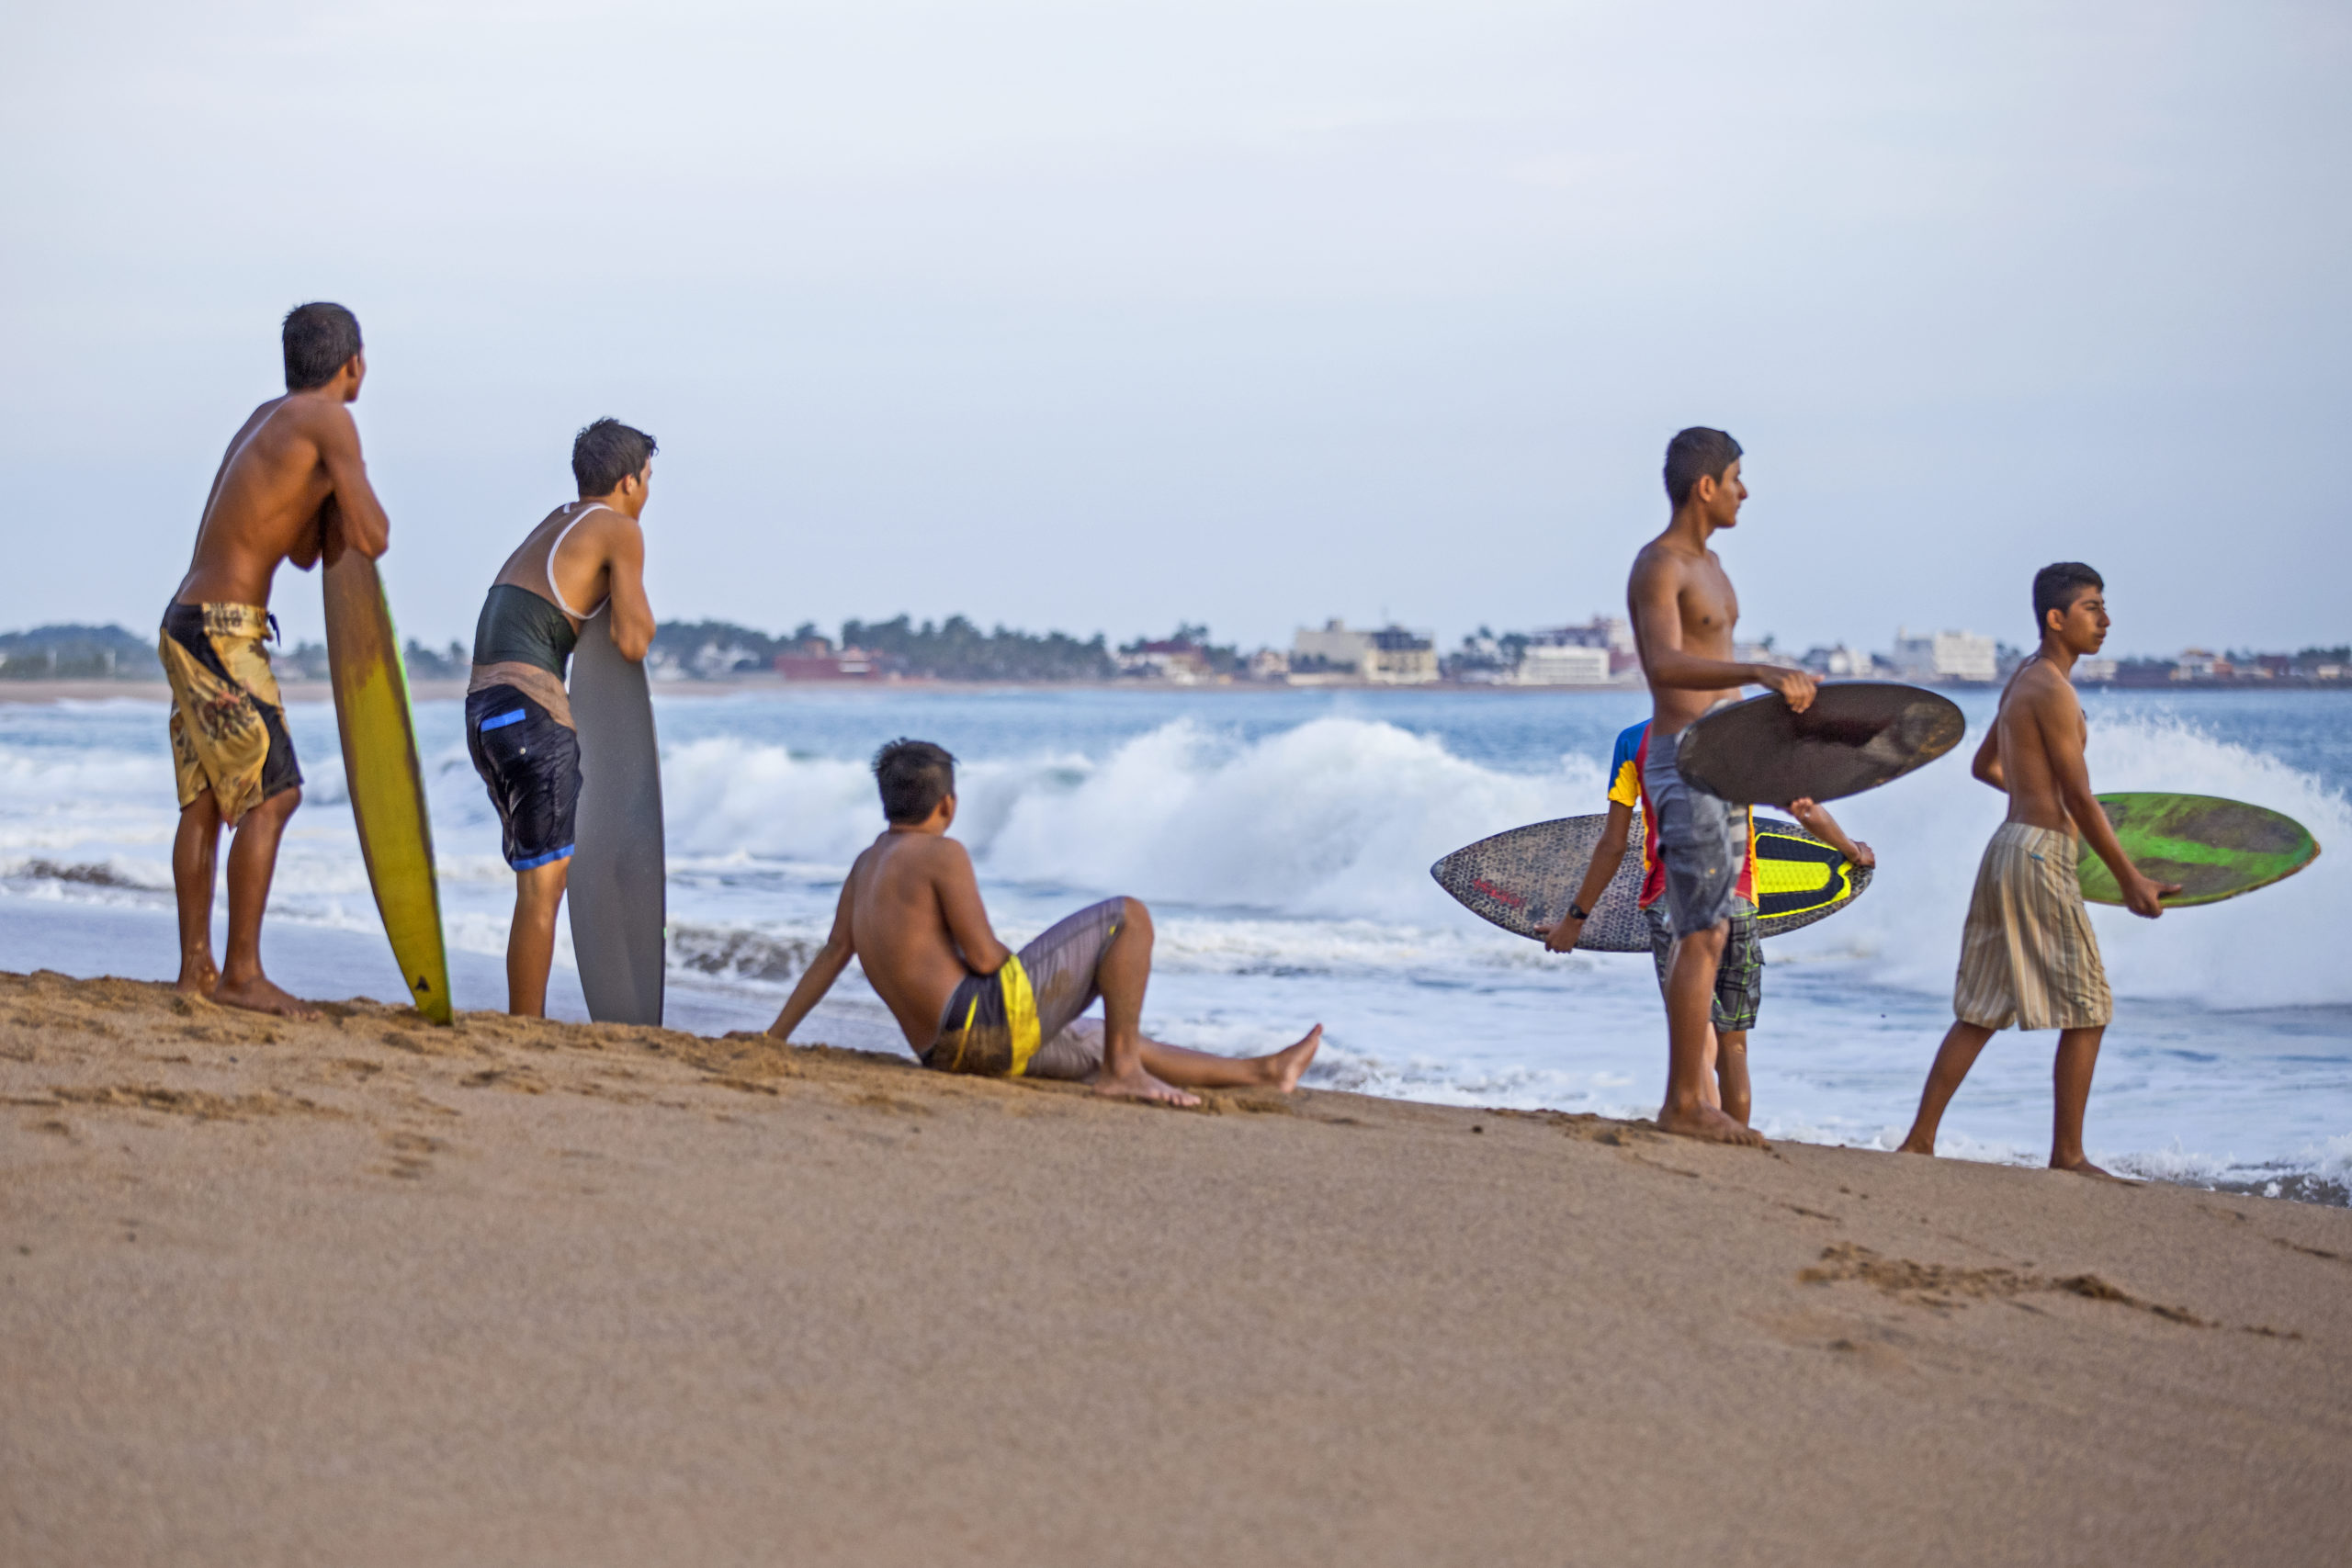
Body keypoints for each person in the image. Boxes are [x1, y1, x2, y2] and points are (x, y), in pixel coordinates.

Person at [763, 739, 1324, 1107]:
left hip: (943, 1053)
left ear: (886, 802)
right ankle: (1123, 1073)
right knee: (1129, 917)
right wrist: (1051, 979)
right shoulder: (943, 853)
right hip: (982, 1028)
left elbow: (834, 953)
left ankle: (1264, 1072)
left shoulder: (866, 865)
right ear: (948, 805)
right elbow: (985, 959)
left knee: (1094, 1036)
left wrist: (774, 1038)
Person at [1897, 563, 2177, 1175]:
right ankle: (2068, 1155)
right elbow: (2080, 797)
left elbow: (1984, 765)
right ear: (2057, 618)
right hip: (2037, 854)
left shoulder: (2023, 677)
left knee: (1981, 1007)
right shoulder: (2053, 690)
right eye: (2092, 608)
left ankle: (1920, 1139)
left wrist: (2031, 798)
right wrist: (2130, 876)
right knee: (2089, 1006)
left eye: (2104, 607)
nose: (2105, 620)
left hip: (2007, 848)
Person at [163, 302, 391, 1019]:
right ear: (353, 363)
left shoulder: (271, 416)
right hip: (225, 629)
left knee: (206, 799)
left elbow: (297, 550)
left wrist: (326, 493)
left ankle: (196, 967)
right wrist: (347, 484)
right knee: (275, 792)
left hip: (186, 623)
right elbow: (374, 535)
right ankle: (242, 973)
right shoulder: (331, 422)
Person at [1623, 427, 1820, 1145]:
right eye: (1736, 477)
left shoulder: (1716, 568)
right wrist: (1760, 672)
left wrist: (1773, 755)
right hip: (1685, 761)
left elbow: (1717, 675)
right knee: (1699, 929)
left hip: (1727, 767)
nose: (1744, 491)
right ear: (1705, 485)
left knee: (1717, 928)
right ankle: (1682, 1100)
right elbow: (1664, 666)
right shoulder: (1660, 565)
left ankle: (1691, 1099)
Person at [1541, 716, 1873, 1127]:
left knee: (1696, 1036)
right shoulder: (1743, 735)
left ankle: (1707, 1132)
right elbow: (1806, 810)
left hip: (1674, 902)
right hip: (1739, 904)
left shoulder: (1634, 742)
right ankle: (1739, 1143)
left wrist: (1575, 919)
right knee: (1734, 1045)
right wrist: (1851, 850)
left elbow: (1613, 845)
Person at [464, 419, 658, 1015]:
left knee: (533, 879)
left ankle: (526, 1018)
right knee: (542, 888)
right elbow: (632, 639)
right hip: (532, 712)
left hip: (483, 713)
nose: (647, 494)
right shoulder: (619, 529)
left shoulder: (557, 519)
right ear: (628, 480)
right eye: (648, 481)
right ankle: (526, 1025)